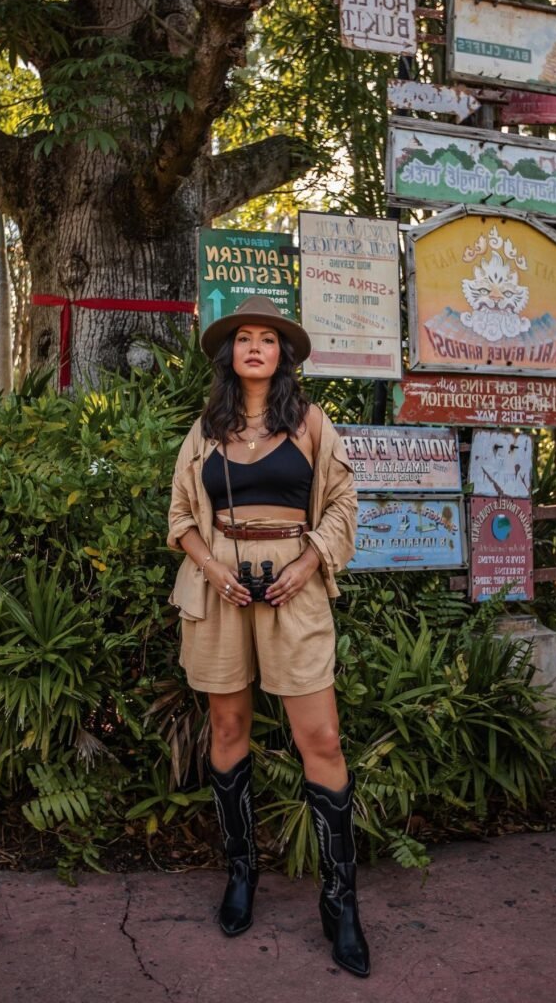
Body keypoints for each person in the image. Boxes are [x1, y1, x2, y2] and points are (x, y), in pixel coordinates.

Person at [167, 295, 369, 978]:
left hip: (294, 591)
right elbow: (179, 519)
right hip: (220, 592)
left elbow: (342, 502)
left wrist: (308, 561)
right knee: (227, 732)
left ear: (283, 355)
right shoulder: (205, 429)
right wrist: (211, 566)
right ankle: (240, 872)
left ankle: (340, 903)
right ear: (231, 356)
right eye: (244, 339)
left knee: (323, 739)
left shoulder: (310, 422)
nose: (256, 347)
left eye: (268, 339)